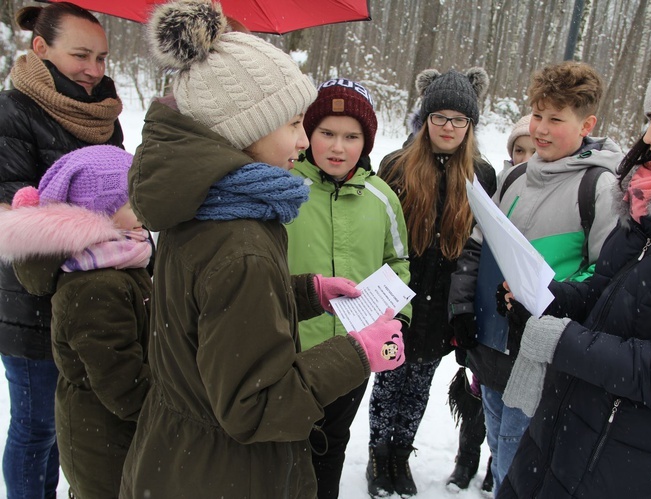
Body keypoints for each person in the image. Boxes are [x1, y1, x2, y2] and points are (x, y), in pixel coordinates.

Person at [119, 1, 405, 497]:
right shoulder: (240, 238)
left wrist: (304, 292)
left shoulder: (205, 205)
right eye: (295, 123)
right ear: (245, 128)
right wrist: (356, 354)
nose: (303, 139)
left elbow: (207, 310)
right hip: (229, 474)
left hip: (182, 455)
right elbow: (257, 406)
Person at [498, 39, 651, 499]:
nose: (650, 134)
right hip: (563, 436)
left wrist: (562, 342)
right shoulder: (649, 204)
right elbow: (606, 295)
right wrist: (546, 297)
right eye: (650, 116)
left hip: (628, 468)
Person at [448, 60, 622, 495]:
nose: (540, 129)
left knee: (516, 466)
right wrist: (463, 308)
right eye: (538, 115)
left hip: (541, 358)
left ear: (588, 124)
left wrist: (545, 298)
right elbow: (478, 245)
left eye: (556, 119)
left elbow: (606, 274)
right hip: (492, 349)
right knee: (499, 445)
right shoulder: (514, 175)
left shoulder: (600, 186)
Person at [0, 3, 123, 497]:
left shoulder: (103, 115)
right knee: (37, 427)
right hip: (30, 302)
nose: (94, 70)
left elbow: (114, 188)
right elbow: (16, 214)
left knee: (75, 421)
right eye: (81, 56)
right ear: (40, 48)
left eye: (102, 57)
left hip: (93, 294)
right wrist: (106, 225)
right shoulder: (12, 112)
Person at [367, 67, 498, 497]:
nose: (448, 127)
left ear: (470, 126)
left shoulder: (481, 175)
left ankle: (401, 455)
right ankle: (378, 455)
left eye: (458, 119)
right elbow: (377, 234)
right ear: (425, 119)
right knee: (388, 381)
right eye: (439, 116)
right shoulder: (397, 166)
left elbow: (481, 247)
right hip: (398, 298)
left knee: (418, 386)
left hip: (442, 307)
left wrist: (464, 312)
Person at [0, 146, 151, 498]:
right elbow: (121, 383)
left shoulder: (122, 258)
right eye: (133, 201)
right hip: (105, 442)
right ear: (101, 212)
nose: (145, 208)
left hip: (114, 433)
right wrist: (170, 411)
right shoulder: (96, 285)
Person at [286, 78, 411, 499]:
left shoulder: (381, 197)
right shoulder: (285, 188)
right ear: (308, 132)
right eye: (327, 133)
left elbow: (398, 262)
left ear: (367, 142)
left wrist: (395, 315)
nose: (338, 147)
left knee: (331, 446)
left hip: (354, 354)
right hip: (292, 352)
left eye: (351, 137)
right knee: (285, 449)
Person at [445, 112, 536, 492]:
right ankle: (467, 459)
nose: (527, 156)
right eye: (520, 149)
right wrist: (463, 310)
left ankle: (493, 471)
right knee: (477, 400)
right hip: (486, 332)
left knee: (510, 435)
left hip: (521, 341)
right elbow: (474, 254)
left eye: (534, 149)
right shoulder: (504, 189)